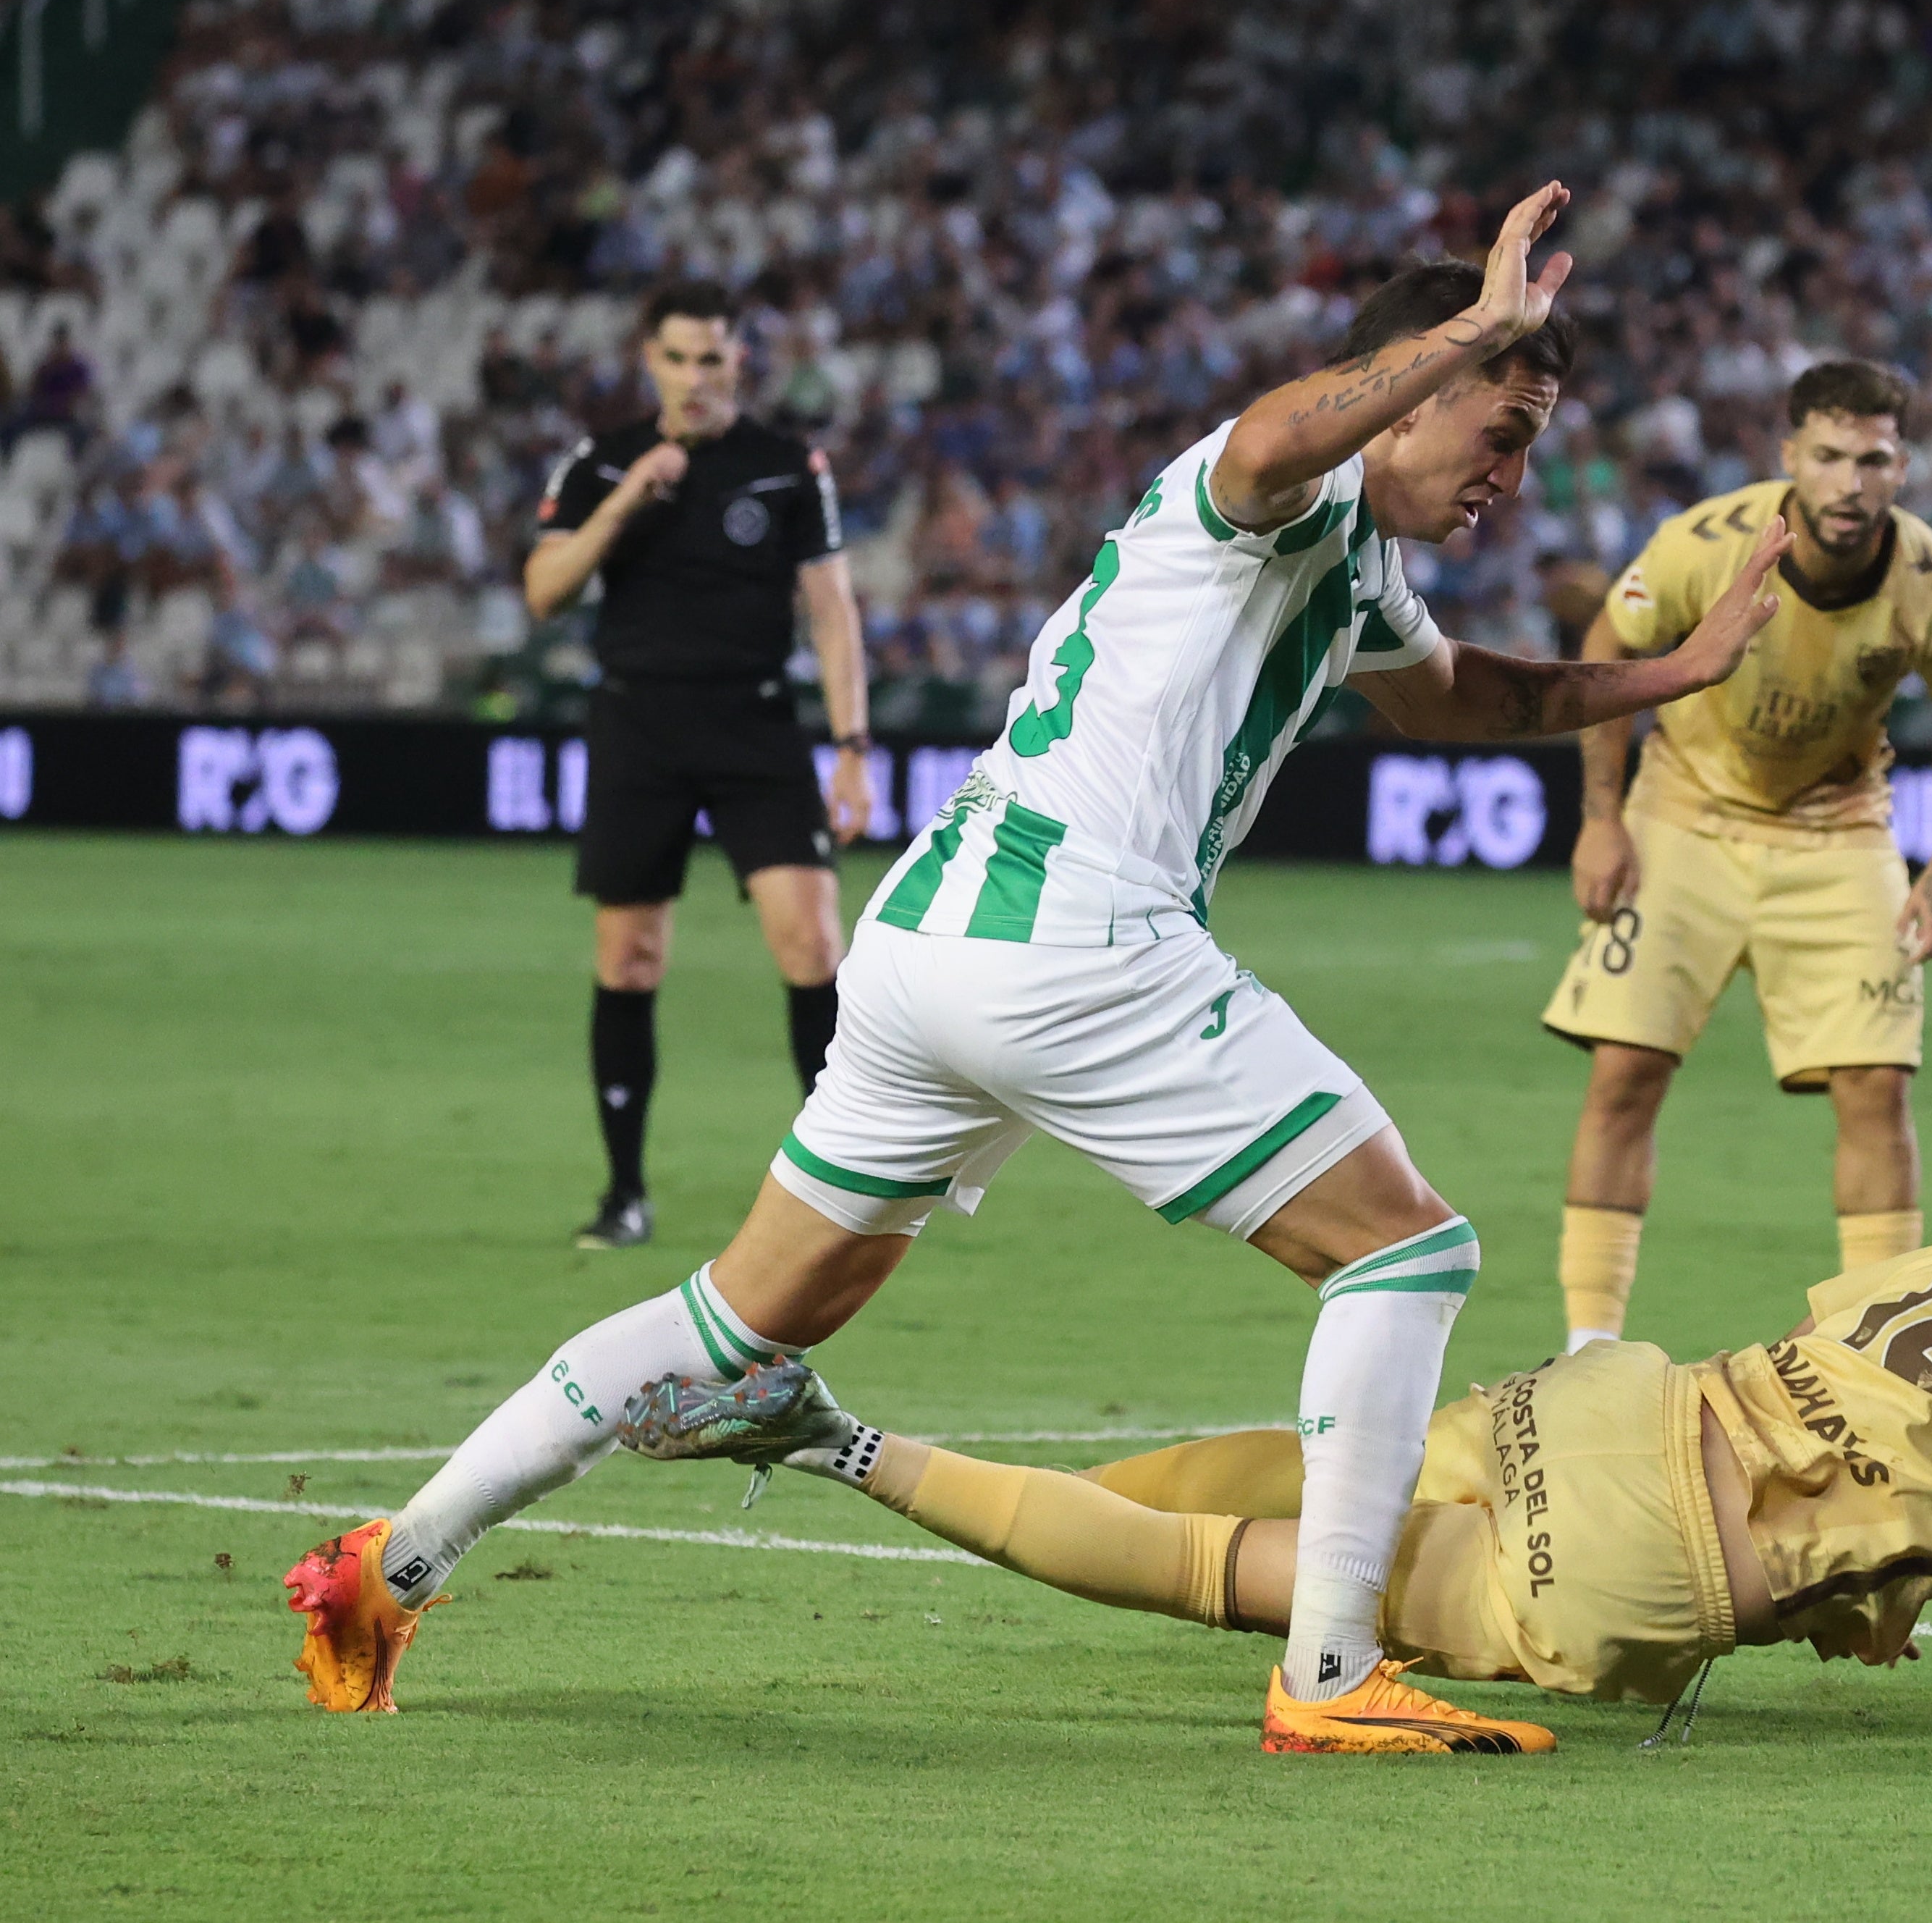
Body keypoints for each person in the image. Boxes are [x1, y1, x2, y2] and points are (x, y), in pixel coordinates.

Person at [284, 185, 1795, 1753]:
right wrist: (1478, 327)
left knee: (742, 1319)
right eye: (1501, 420)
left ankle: (386, 1567)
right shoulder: (1268, 485)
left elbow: (1464, 695)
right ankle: (1330, 1669)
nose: (1513, 469)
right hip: (1076, 935)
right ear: (1413, 377)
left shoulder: (1348, 559)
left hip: (935, 935)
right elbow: (1272, 439)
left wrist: (1672, 670)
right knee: (1404, 1252)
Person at [617, 1203, 1932, 1760]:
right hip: (1650, 1568)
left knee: (1305, 1463)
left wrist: (1879, 1567)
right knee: (1253, 1570)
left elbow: (1892, 1356)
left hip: (1624, 1396)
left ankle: (811, 1408)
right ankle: (836, 1438)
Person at [1542, 361, 1932, 1351]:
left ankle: (1876, 1349)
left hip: (1839, 832)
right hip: (1683, 815)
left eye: (1872, 459)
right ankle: (1590, 1349)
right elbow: (1606, 646)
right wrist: (1601, 817)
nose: (1849, 482)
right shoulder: (1704, 546)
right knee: (1624, 1070)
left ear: (1902, 467)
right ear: (1789, 455)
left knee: (1877, 1086)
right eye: (1828, 456)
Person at [523, 279, 875, 1251]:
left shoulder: (785, 466)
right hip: (640, 726)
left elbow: (834, 610)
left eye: (712, 358)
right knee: (629, 956)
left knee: (811, 943)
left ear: (739, 364)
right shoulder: (603, 459)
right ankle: (623, 1192)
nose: (694, 377)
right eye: (677, 358)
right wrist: (630, 498)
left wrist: (852, 748)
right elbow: (544, 590)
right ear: (651, 360)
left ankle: (842, 1194)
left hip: (755, 724)